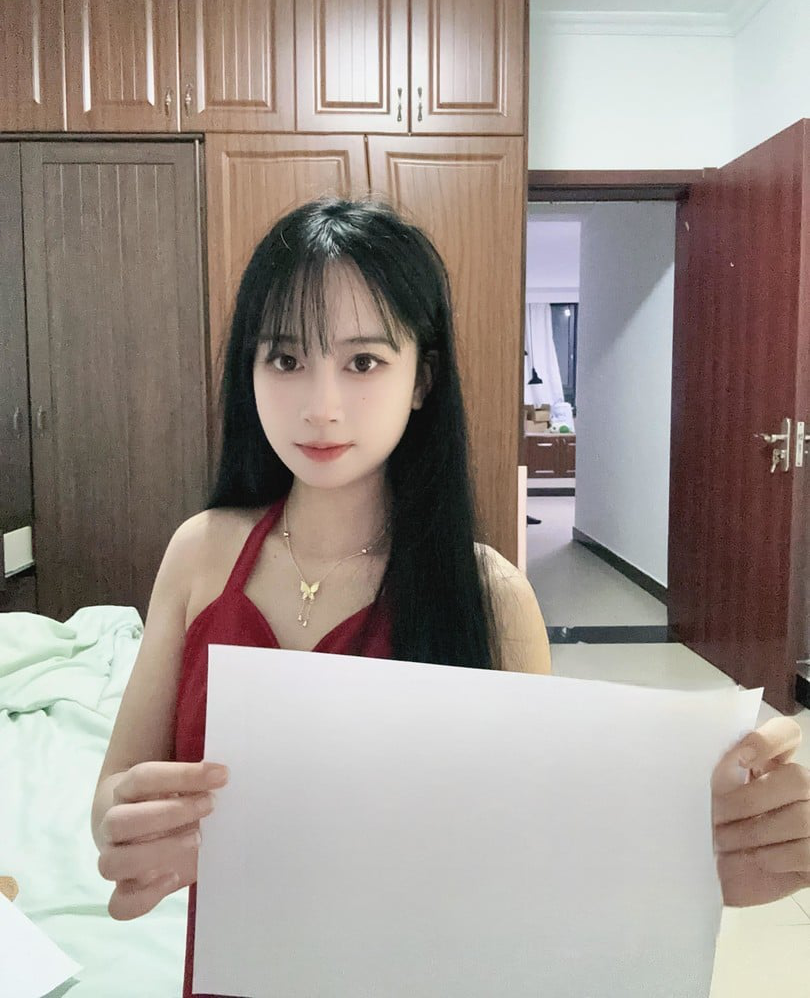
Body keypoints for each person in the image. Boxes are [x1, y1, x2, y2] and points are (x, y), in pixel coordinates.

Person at [92, 198, 809, 996]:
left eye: (364, 362)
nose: (320, 405)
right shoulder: (200, 554)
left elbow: (532, 858)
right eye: (285, 358)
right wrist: (131, 825)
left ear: (422, 378)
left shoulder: (490, 597)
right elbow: (111, 796)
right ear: (248, 370)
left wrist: (688, 861)